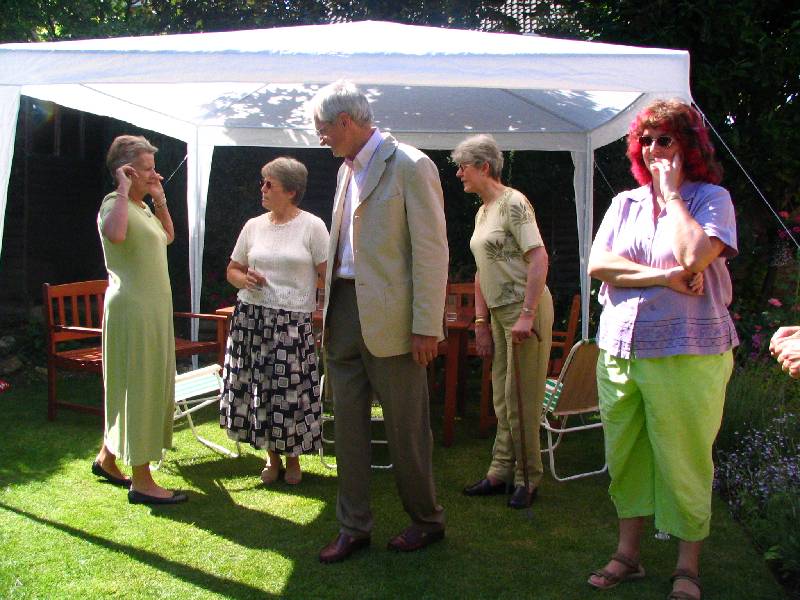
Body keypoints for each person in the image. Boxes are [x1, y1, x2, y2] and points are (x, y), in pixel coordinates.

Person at [587, 99, 738, 599]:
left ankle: (687, 566)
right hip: (620, 350)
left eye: (665, 139)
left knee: (684, 457)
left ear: (688, 146)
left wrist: (672, 196)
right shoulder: (624, 203)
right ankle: (627, 555)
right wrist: (665, 279)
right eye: (646, 140)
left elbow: (695, 255)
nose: (653, 149)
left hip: (688, 351)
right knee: (625, 455)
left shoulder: (711, 198)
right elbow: (599, 266)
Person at [310, 80, 449, 563]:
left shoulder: (411, 164)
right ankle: (354, 527)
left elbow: (432, 251)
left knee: (406, 429)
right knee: (346, 426)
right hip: (342, 312)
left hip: (395, 320)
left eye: (323, 128)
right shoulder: (345, 171)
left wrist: (426, 325)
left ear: (346, 122)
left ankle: (427, 521)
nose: (320, 137)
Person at [453, 134, 553, 509]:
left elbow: (538, 259)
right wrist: (481, 321)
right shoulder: (483, 211)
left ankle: (529, 478)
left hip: (524, 310)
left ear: (484, 166)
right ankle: (499, 472)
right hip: (498, 313)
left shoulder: (514, 203)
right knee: (501, 396)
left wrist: (527, 314)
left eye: (464, 165)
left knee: (521, 398)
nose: (459, 173)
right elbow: (482, 270)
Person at [219, 157, 328, 486]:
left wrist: (313, 301)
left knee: (291, 392)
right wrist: (244, 280)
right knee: (259, 389)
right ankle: (271, 456)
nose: (262, 189)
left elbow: (327, 275)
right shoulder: (253, 226)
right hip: (251, 316)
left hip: (291, 322)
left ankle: (293, 458)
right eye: (262, 182)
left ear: (292, 191)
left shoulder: (312, 226)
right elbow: (232, 270)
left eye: (270, 184)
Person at [93, 134, 187, 505]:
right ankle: (143, 480)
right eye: (146, 169)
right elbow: (114, 236)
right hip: (132, 311)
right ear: (126, 170)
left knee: (142, 382)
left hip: (153, 311)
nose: (155, 175)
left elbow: (168, 236)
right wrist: (121, 187)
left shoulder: (143, 207)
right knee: (139, 387)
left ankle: (107, 458)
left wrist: (159, 199)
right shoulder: (114, 205)